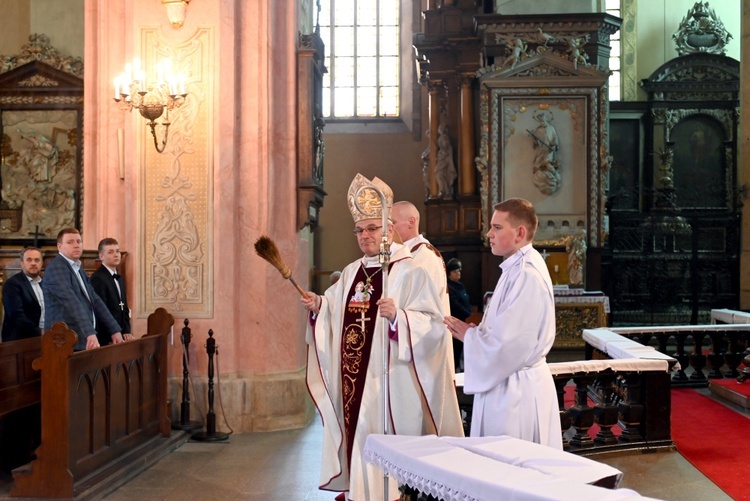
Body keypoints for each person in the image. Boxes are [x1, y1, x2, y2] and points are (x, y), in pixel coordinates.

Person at [301, 173, 463, 501]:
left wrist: (399, 320)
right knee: (360, 434)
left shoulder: (409, 271)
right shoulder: (351, 272)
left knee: (389, 440)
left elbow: (433, 325)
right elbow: (336, 309)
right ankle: (363, 492)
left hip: (392, 381)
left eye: (372, 229)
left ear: (389, 230)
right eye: (359, 230)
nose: (364, 236)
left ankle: (393, 494)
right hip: (356, 384)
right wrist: (320, 306)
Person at [444, 198, 562, 449]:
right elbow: (507, 330)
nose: (489, 234)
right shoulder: (515, 268)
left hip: (516, 393)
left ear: (520, 232)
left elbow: (510, 345)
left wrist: (470, 337)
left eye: (497, 227)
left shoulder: (526, 274)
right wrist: (482, 334)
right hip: (509, 383)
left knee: (512, 468)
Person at [42, 228, 124, 351]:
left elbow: (95, 300)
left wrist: (115, 330)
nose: (76, 245)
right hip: (63, 340)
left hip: (79, 338)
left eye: (78, 241)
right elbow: (71, 303)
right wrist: (90, 333)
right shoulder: (57, 268)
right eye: (70, 242)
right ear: (59, 247)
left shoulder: (79, 269)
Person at [90, 238, 135, 346]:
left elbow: (124, 308)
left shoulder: (120, 278)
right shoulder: (97, 278)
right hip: (107, 337)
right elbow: (101, 310)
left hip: (120, 333)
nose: (116, 255)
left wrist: (126, 331)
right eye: (110, 252)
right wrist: (113, 332)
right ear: (101, 256)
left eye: (117, 251)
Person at [1, 247, 45, 341]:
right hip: (20, 341)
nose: (33, 263)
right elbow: (16, 315)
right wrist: (39, 332)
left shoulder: (45, 284)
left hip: (44, 338)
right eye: (29, 260)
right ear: (22, 264)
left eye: (37, 260)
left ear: (41, 264)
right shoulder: (12, 284)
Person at [445, 258, 472, 372]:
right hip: (455, 321)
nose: (458, 273)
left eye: (459, 271)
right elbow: (455, 304)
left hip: (464, 320)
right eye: (455, 271)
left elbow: (466, 301)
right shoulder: (449, 287)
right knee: (455, 349)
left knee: (462, 348)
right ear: (449, 273)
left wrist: (469, 314)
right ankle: (453, 370)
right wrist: (468, 314)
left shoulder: (460, 286)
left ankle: (460, 369)